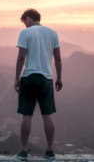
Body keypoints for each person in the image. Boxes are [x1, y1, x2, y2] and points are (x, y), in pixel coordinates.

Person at [14, 8, 63, 160]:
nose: (25, 26)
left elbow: (21, 57)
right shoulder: (53, 33)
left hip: (29, 77)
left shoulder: (25, 33)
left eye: (25, 22)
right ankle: (50, 151)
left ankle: (23, 151)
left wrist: (16, 78)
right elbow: (58, 58)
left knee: (27, 116)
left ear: (28, 19)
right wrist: (59, 78)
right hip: (46, 79)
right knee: (47, 116)